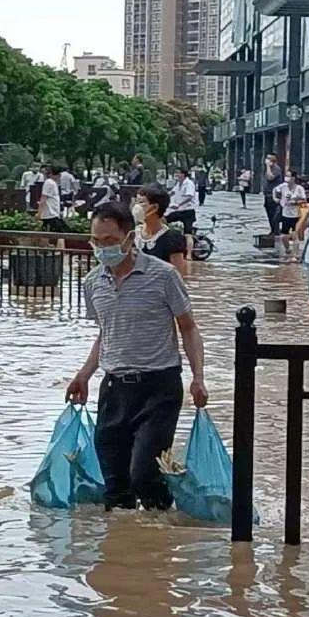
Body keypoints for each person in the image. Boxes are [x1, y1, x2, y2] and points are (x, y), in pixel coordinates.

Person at [67, 202, 208, 511]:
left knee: (144, 474)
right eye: (96, 241)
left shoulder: (163, 275)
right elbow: (106, 333)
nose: (102, 248)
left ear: (129, 238)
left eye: (109, 241)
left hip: (159, 387)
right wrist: (84, 374)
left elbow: (188, 327)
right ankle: (123, 549)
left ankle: (163, 535)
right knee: (115, 484)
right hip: (114, 389)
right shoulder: (93, 283)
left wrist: (198, 378)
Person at [133, 185, 187, 277]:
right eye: (136, 202)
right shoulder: (133, 234)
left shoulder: (172, 237)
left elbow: (178, 275)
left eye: (141, 202)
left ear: (155, 207)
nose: (136, 206)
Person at [275, 170, 307, 260]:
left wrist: (296, 202)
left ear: (293, 178)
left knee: (294, 235)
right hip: (285, 214)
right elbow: (275, 190)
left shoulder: (299, 188)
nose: (287, 178)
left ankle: (295, 255)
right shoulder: (283, 186)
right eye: (286, 176)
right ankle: (287, 249)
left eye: (289, 176)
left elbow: (304, 200)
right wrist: (276, 199)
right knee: (283, 236)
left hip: (296, 215)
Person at [165, 168, 197, 254]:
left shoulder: (189, 184)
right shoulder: (178, 183)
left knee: (188, 234)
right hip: (178, 211)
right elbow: (172, 193)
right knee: (164, 220)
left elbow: (189, 197)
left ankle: (189, 254)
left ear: (183, 174)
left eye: (178, 173)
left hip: (188, 211)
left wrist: (179, 204)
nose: (176, 175)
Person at [38, 166, 65, 232]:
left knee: (55, 235)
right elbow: (43, 199)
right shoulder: (49, 183)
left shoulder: (52, 183)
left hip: (53, 214)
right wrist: (39, 214)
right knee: (60, 235)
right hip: (50, 214)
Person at [263, 154, 284, 235]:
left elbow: (270, 177)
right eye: (267, 158)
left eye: (269, 158)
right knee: (269, 214)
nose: (267, 160)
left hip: (274, 196)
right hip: (267, 195)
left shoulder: (276, 168)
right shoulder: (269, 168)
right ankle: (273, 230)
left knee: (274, 214)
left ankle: (276, 231)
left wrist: (268, 166)